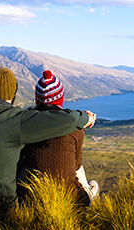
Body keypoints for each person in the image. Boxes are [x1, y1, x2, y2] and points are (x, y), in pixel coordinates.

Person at [0, 67, 96, 206]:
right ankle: (87, 195)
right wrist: (86, 118)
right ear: (13, 95)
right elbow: (68, 120)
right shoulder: (13, 121)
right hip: (0, 208)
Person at [17, 70, 99, 207]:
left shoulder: (27, 124)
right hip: (70, 198)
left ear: (37, 99)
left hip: (33, 195)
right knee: (77, 166)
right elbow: (77, 166)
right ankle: (88, 195)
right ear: (60, 98)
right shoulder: (75, 127)